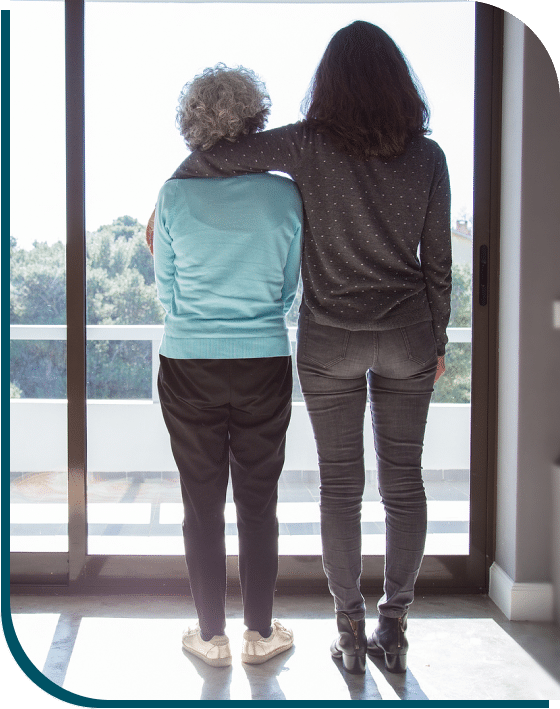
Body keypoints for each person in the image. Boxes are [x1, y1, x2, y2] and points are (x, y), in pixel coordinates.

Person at [155, 21, 451, 675]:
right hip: (399, 335)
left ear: (329, 85)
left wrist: (173, 187)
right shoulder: (428, 159)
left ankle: (346, 627)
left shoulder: (310, 147)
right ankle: (391, 624)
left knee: (338, 487)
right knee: (404, 483)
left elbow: (222, 158)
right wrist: (440, 335)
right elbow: (439, 265)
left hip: (322, 341)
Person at [153, 64, 302, 667]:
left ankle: (210, 636)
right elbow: (291, 289)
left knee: (201, 502)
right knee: (258, 501)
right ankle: (260, 635)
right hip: (265, 359)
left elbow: (167, 292)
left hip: (189, 363)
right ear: (256, 122)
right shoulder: (285, 193)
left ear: (193, 122)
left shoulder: (172, 194)